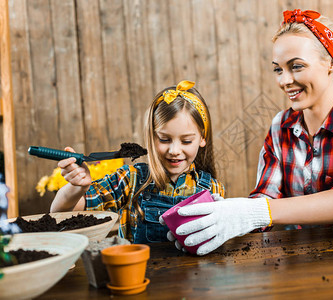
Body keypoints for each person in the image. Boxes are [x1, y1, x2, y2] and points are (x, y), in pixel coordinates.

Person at [166, 9, 333, 256]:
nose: (284, 81)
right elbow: (266, 197)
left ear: (330, 63)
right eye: (278, 69)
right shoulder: (280, 126)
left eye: (296, 66)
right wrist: (223, 217)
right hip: (304, 261)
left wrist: (256, 212)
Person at [50, 80, 225, 243]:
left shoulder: (212, 188)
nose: (174, 151)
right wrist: (77, 187)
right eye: (164, 139)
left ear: (202, 138)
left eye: (186, 141)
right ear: (151, 136)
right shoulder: (130, 180)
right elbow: (60, 214)